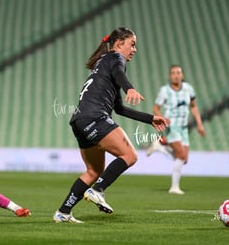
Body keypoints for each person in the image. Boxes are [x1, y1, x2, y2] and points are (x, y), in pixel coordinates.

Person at [53, 27, 169, 223]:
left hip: (79, 120)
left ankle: (63, 212)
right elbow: (119, 71)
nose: (135, 49)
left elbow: (120, 109)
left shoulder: (103, 63)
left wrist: (150, 119)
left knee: (93, 171)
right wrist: (129, 88)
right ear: (118, 44)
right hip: (94, 117)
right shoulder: (115, 58)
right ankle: (98, 190)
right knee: (130, 156)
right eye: (132, 44)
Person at [146, 65, 205, 194]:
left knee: (184, 159)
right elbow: (155, 108)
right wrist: (162, 118)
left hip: (184, 127)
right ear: (170, 76)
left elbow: (193, 107)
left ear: (182, 75)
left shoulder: (188, 89)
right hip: (172, 126)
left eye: (178, 73)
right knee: (181, 156)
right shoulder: (165, 91)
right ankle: (174, 187)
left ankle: (160, 147)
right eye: (173, 73)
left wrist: (199, 124)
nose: (176, 75)